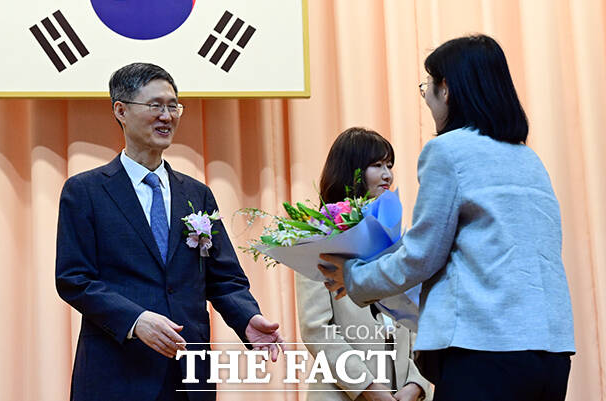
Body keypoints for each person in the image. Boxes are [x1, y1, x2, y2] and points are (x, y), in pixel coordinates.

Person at [319, 35, 575, 401]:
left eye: (428, 87)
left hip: (484, 351)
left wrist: (353, 278)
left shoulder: (447, 151)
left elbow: (421, 255)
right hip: (552, 352)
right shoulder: (529, 159)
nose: (426, 98)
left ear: (447, 89)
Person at [55, 62, 283, 401]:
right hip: (117, 372)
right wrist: (136, 320)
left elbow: (224, 278)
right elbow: (74, 279)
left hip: (189, 374)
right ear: (121, 111)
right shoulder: (85, 191)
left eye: (173, 106)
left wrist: (247, 318)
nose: (167, 116)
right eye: (155, 105)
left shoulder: (196, 194)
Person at [296, 127, 432, 401]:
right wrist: (368, 388)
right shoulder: (318, 238)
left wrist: (417, 383)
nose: (387, 174)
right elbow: (316, 329)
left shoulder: (398, 237)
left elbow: (418, 317)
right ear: (352, 170)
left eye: (389, 165)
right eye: (377, 165)